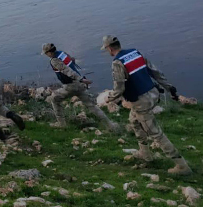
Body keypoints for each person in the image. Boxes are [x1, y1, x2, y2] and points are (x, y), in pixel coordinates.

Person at [101, 35, 191, 175]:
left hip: (140, 101)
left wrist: (109, 98)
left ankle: (181, 166)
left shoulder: (117, 63)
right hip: (153, 93)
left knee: (155, 133)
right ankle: (145, 154)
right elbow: (155, 72)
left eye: (106, 49)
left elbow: (119, 88)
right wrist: (169, 88)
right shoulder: (134, 53)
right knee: (134, 121)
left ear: (109, 48)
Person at [42, 43, 119, 131]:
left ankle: (61, 124)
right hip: (79, 85)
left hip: (70, 86)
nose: (46, 55)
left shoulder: (54, 60)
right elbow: (72, 60)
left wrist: (81, 79)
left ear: (49, 52)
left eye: (45, 53)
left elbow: (66, 70)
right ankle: (111, 125)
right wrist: (80, 79)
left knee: (54, 99)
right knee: (92, 106)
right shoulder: (62, 53)